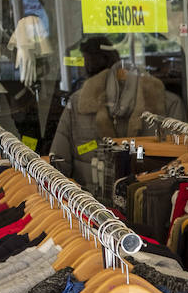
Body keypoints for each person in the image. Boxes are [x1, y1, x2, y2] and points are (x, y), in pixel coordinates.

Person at [49, 35, 169, 188]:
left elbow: (181, 160)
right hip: (90, 202)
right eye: (86, 61)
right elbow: (59, 163)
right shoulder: (78, 104)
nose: (86, 67)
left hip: (145, 198)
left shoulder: (164, 102)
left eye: (89, 60)